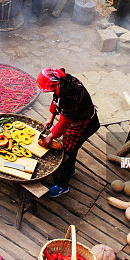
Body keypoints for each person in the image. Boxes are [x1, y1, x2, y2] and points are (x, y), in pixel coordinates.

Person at [37, 67, 100, 197]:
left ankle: (62, 185)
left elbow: (65, 123)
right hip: (81, 119)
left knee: (66, 153)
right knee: (72, 148)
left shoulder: (68, 96)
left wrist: (50, 136)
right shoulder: (64, 81)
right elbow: (56, 99)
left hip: (84, 125)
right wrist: (51, 117)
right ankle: (71, 169)